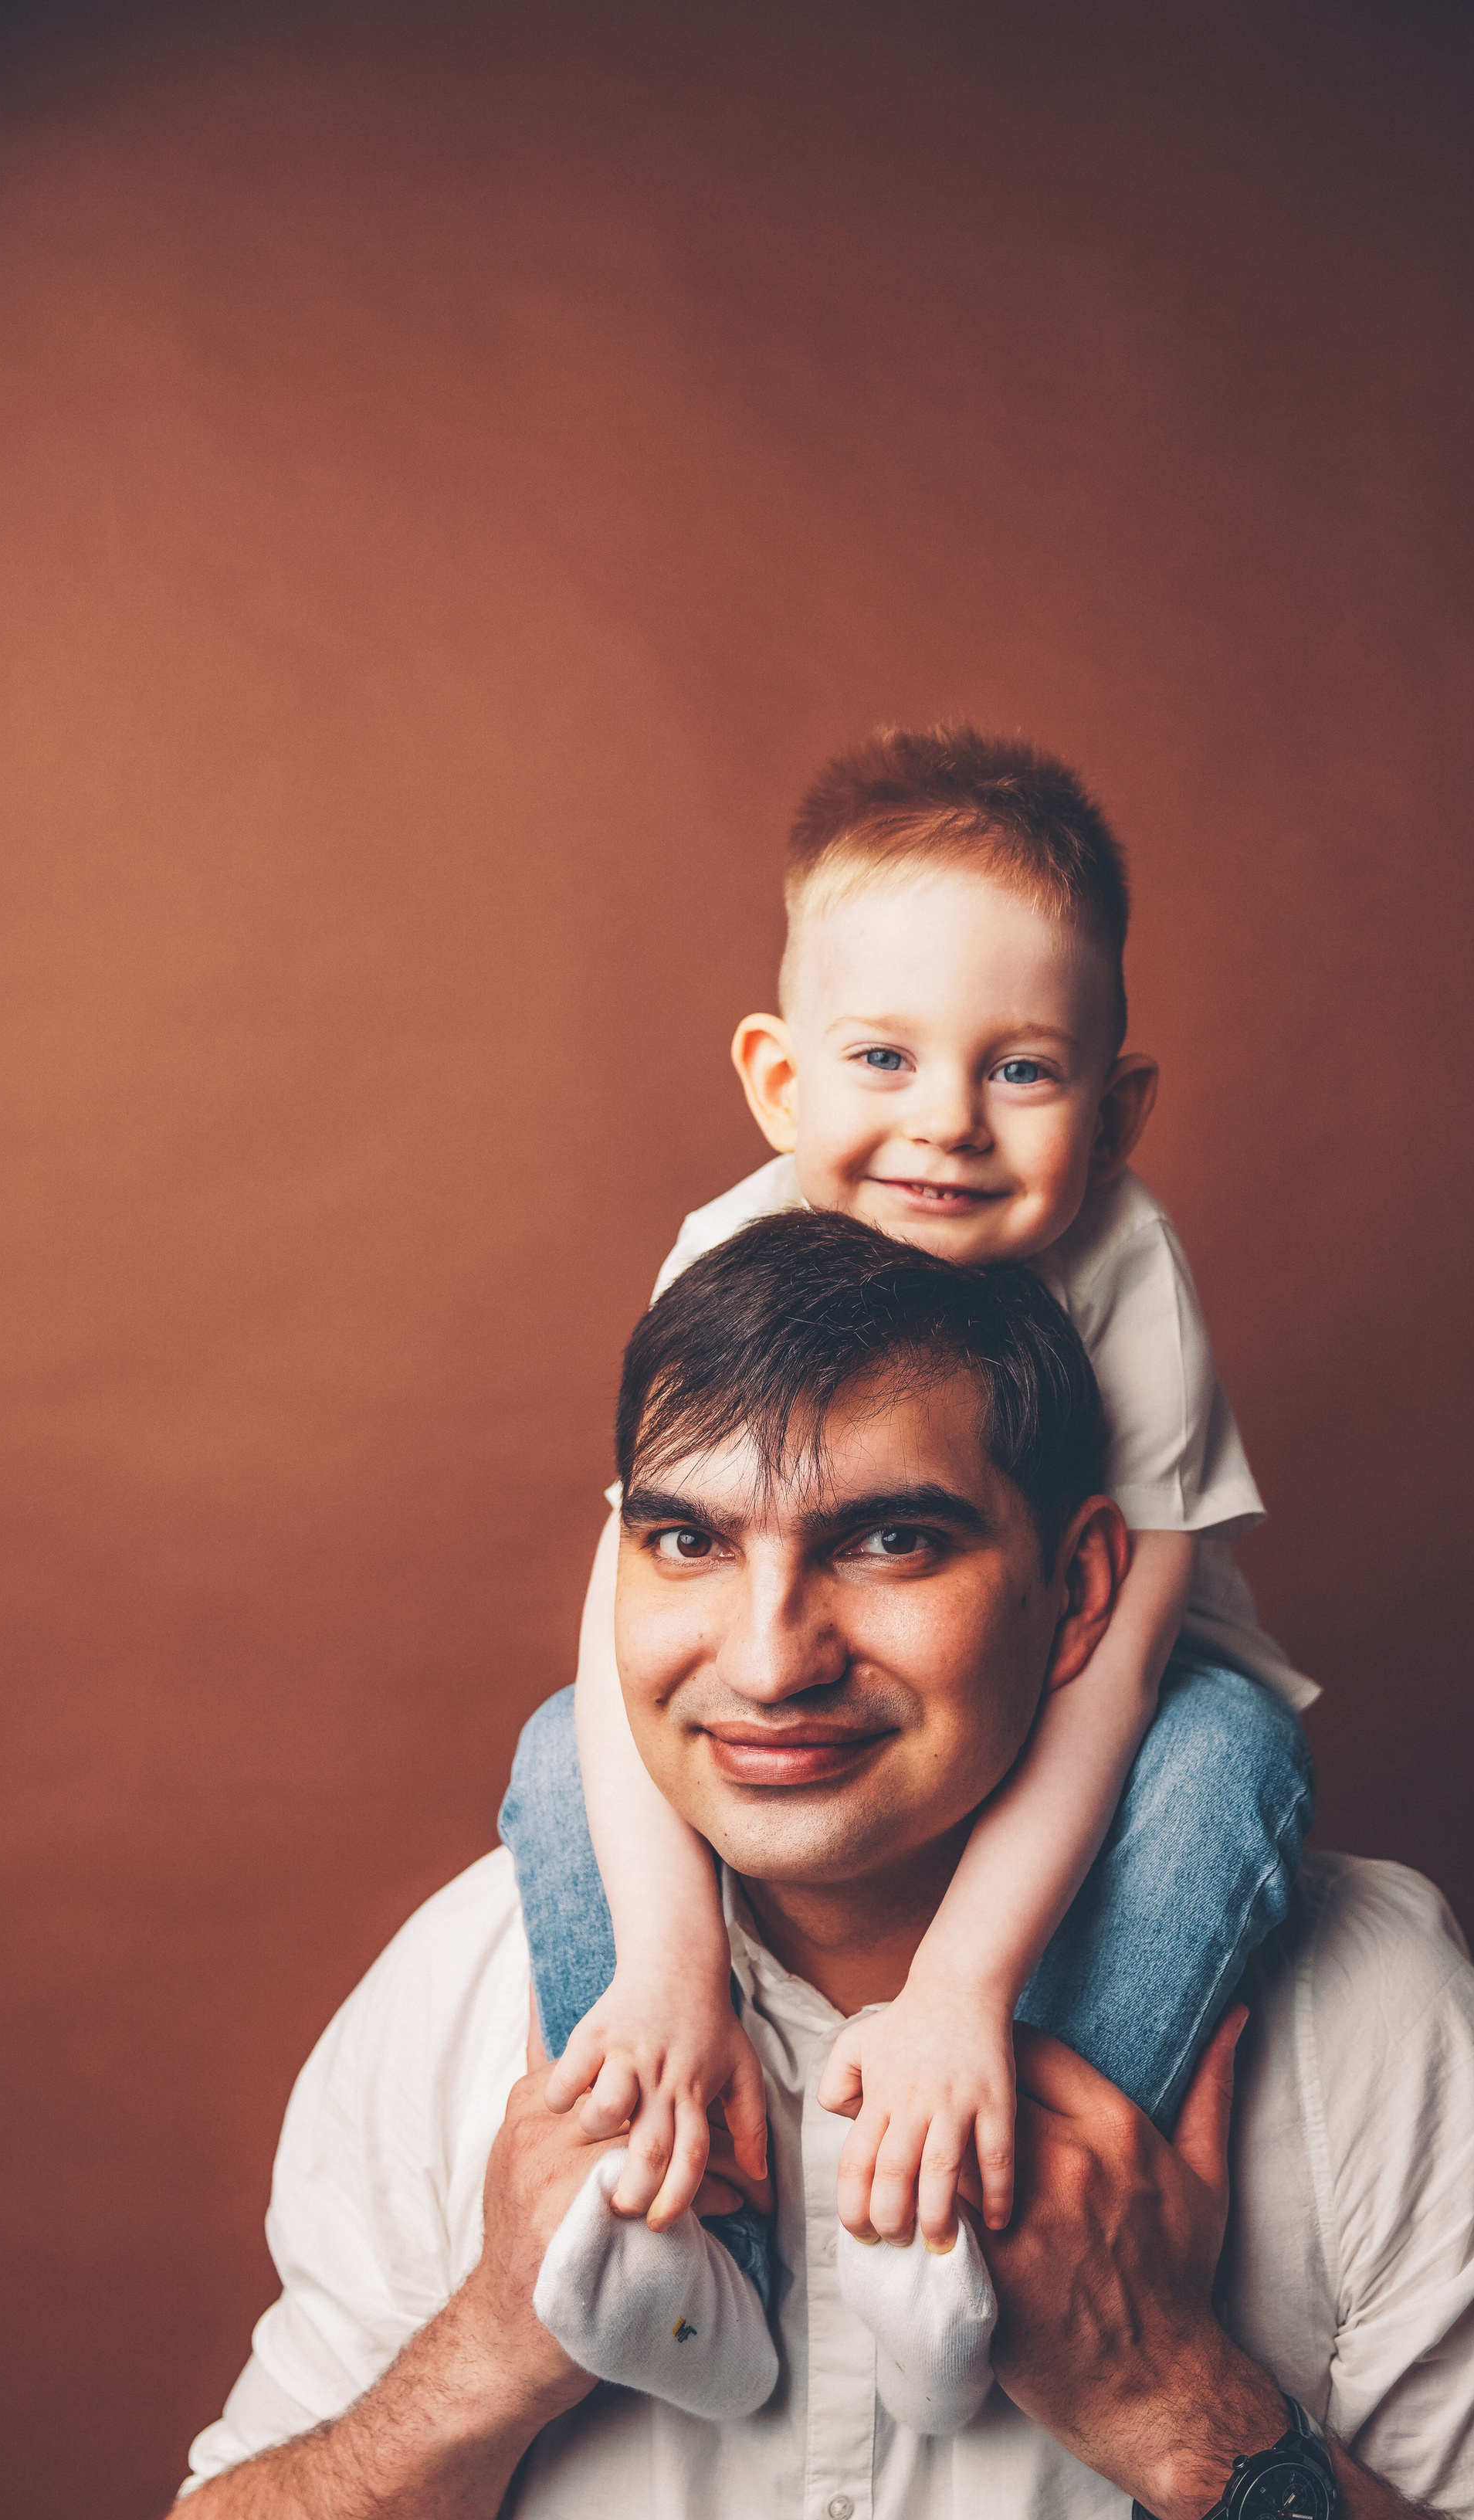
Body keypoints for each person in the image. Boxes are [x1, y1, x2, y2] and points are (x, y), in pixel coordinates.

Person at [145, 1213, 1474, 2520]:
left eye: (888, 1541)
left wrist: (1174, 2407)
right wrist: (496, 2345)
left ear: (1077, 1589)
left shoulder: (1369, 2024)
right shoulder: (474, 1985)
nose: (768, 1658)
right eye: (688, 1540)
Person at [506, 722, 1316, 2432]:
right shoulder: (725, 1256)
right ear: (780, 1079)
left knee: (1232, 1759)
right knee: (552, 1747)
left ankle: (982, 2212)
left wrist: (959, 1992)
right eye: (882, 1057)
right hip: (885, 1717)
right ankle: (675, 2213)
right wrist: (668, 1970)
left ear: (1115, 1110)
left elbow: (1114, 1666)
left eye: (1020, 1072)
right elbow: (632, 1588)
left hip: (1108, 1691)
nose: (944, 1123)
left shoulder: (1124, 1268)